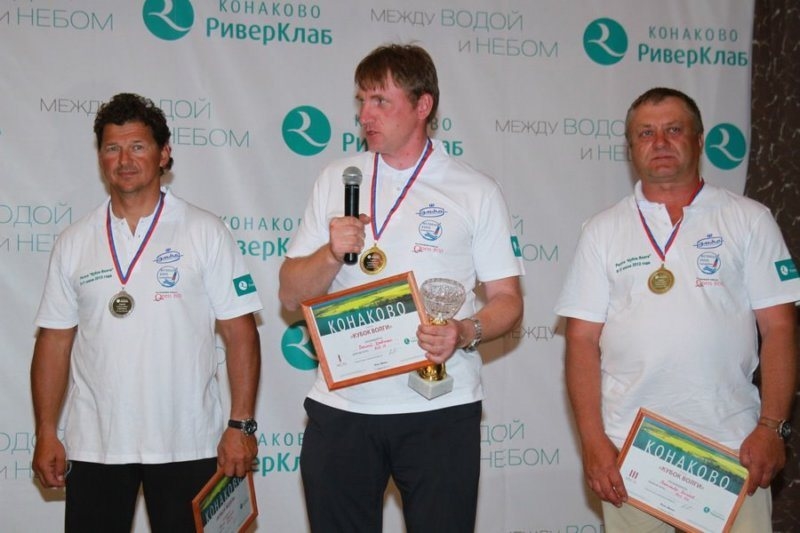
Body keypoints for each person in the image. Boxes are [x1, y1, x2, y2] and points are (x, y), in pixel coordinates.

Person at [278, 44, 524, 533]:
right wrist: (330, 253)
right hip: (343, 408)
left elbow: (508, 300)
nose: (365, 115)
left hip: (439, 409)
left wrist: (464, 330)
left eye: (380, 101)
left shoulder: (474, 190)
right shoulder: (335, 178)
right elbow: (289, 295)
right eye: (361, 101)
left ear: (422, 105)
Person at [555, 87, 799, 531]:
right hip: (632, 454)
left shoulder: (749, 219)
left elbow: (779, 328)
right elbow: (581, 340)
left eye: (674, 130)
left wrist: (772, 427)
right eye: (646, 133)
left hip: (732, 450)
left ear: (699, 140)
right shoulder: (602, 230)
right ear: (631, 148)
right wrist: (593, 442)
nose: (660, 142)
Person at [30, 93, 263, 532]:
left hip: (188, 442)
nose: (124, 160)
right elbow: (54, 341)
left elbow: (241, 332)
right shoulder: (74, 241)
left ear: (164, 153)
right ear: (100, 157)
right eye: (112, 148)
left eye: (137, 146)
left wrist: (241, 425)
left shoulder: (204, 231)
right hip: (95, 445)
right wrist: (46, 431)